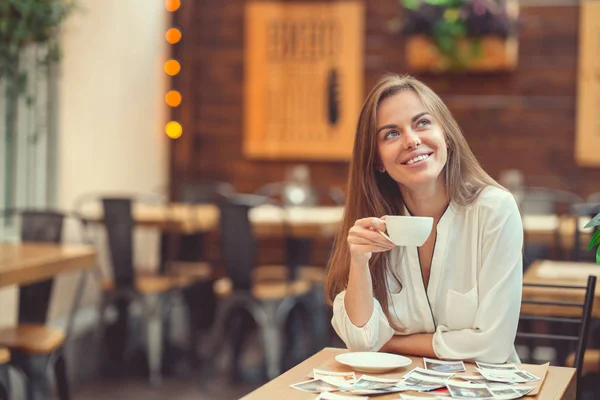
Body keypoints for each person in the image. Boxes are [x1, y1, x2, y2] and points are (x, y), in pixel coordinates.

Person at [325, 74, 523, 363]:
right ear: (377, 159)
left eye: (422, 123)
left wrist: (389, 342)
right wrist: (358, 262)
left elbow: (493, 347)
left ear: (446, 135)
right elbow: (361, 341)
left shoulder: (494, 210)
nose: (412, 140)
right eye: (391, 134)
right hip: (396, 389)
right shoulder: (371, 224)